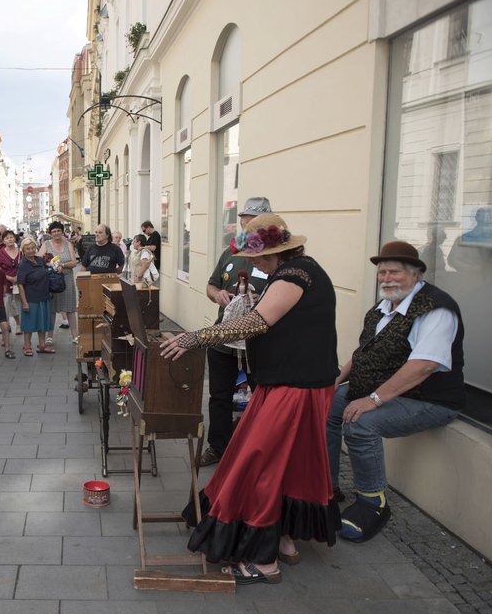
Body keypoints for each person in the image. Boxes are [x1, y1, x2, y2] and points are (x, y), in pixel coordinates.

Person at [160, 214, 339, 585]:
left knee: (261, 462)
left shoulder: (294, 275)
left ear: (279, 251)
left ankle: (263, 560)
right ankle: (286, 542)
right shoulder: (297, 272)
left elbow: (255, 323)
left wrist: (196, 337)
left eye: (258, 257)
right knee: (289, 464)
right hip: (296, 383)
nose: (252, 263)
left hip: (295, 387)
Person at [327, 241, 465, 543]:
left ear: (415, 274)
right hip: (382, 389)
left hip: (428, 400)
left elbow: (425, 365)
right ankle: (327, 487)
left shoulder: (435, 309)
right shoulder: (383, 306)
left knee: (360, 422)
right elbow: (364, 350)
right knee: (327, 404)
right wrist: (339, 378)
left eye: (394, 273)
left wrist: (373, 399)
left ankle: (372, 503)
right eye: (382, 272)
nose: (386, 278)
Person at [200, 196, 273, 466]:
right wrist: (216, 293)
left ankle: (261, 451)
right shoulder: (231, 252)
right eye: (243, 224)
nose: (246, 230)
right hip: (224, 337)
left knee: (262, 396)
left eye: (252, 225)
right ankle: (217, 447)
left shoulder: (272, 256)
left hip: (257, 341)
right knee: (219, 396)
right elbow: (210, 285)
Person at [40, 221, 79, 341]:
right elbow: (39, 259)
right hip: (52, 280)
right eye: (53, 231)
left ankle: (75, 336)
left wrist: (62, 264)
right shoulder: (46, 244)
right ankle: (49, 336)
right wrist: (50, 265)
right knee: (51, 309)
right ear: (50, 233)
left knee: (70, 309)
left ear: (62, 232)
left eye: (58, 231)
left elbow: (74, 262)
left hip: (67, 279)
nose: (56, 233)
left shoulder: (68, 244)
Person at [17, 236, 56, 356]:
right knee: (28, 324)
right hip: (30, 298)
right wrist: (24, 302)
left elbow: (47, 271)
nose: (31, 250)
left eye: (33, 247)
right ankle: (27, 346)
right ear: (23, 250)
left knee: (42, 322)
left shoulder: (39, 260)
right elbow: (20, 285)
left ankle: (42, 345)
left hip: (43, 296)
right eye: (28, 249)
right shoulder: (23, 264)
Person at [0, 231, 22, 335]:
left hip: (19, 283)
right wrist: (9, 278)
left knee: (19, 305)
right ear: (3, 241)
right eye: (7, 238)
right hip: (5, 283)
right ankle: (5, 329)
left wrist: (18, 277)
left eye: (11, 237)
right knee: (5, 307)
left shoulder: (21, 252)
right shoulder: (0, 253)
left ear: (15, 238)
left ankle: (20, 325)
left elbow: (24, 266)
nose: (9, 239)